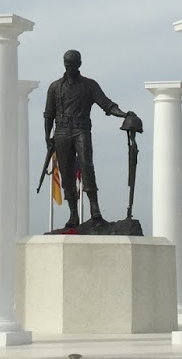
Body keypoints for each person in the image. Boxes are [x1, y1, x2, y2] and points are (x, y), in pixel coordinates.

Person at [43, 49, 126, 228]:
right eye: (67, 64)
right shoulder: (54, 87)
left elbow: (107, 104)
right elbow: (49, 114)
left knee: (87, 167)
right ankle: (73, 215)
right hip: (61, 132)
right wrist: (47, 138)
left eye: (73, 64)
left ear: (79, 64)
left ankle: (95, 210)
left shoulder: (89, 85)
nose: (69, 68)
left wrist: (124, 114)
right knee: (66, 173)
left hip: (81, 129)